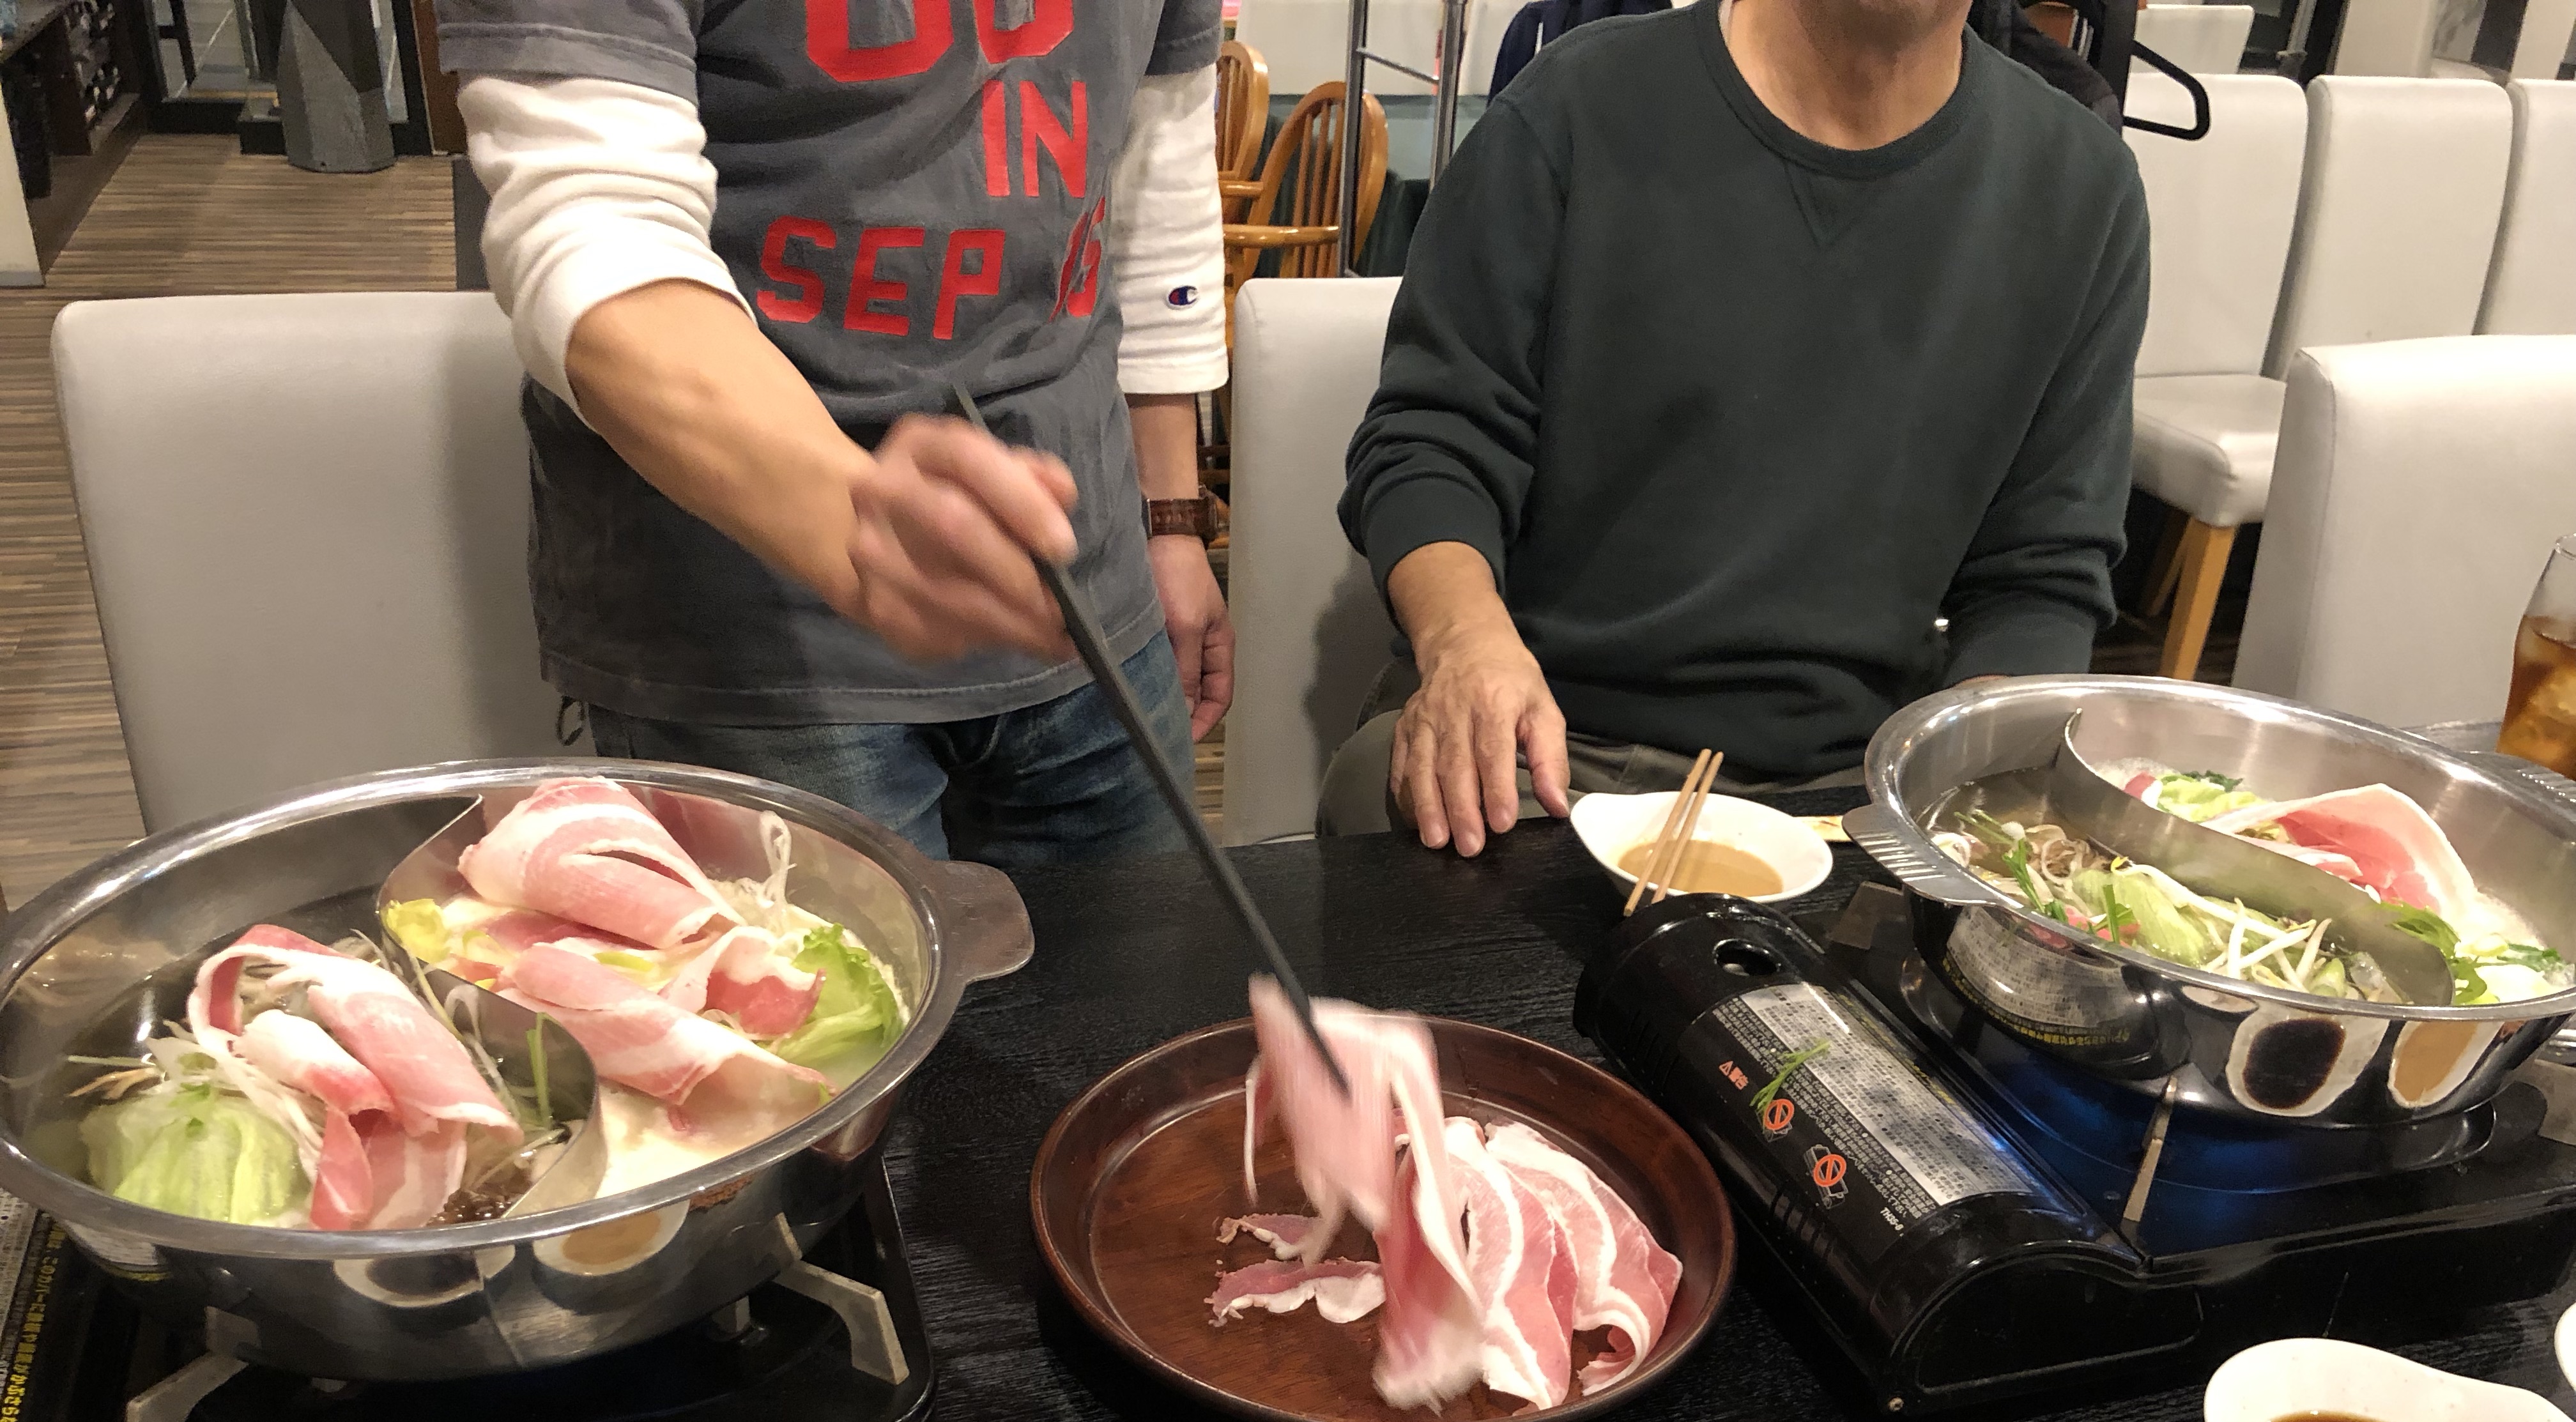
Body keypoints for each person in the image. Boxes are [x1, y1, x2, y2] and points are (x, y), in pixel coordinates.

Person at [1321, 0, 2149, 854]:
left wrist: (1977, 806)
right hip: (1550, 750)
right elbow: (1432, 437)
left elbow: (2042, 573)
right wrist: (1465, 643)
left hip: (1852, 787)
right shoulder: (1578, 106)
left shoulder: (2083, 188)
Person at [434, 0, 1234, 866]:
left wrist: (1174, 519)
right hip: (751, 632)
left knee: (1151, 994)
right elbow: (589, 219)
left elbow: (1160, 178)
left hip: (1097, 590)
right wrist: (846, 514)